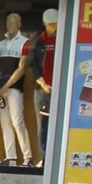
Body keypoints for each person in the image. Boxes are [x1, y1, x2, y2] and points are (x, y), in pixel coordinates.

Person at [0, 12, 35, 166]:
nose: (10, 25)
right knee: (5, 123)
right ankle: (10, 158)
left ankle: (27, 158)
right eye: (8, 22)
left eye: (13, 22)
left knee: (18, 121)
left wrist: (5, 87)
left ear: (19, 24)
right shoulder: (1, 44)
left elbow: (22, 69)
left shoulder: (25, 42)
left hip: (14, 88)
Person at [28, 9, 59, 153]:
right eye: (50, 24)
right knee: (42, 123)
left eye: (55, 24)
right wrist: (42, 83)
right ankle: (44, 156)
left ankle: (56, 155)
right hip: (41, 88)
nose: (53, 27)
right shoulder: (38, 41)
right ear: (45, 23)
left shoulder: (63, 39)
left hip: (59, 88)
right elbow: (32, 64)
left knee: (58, 122)